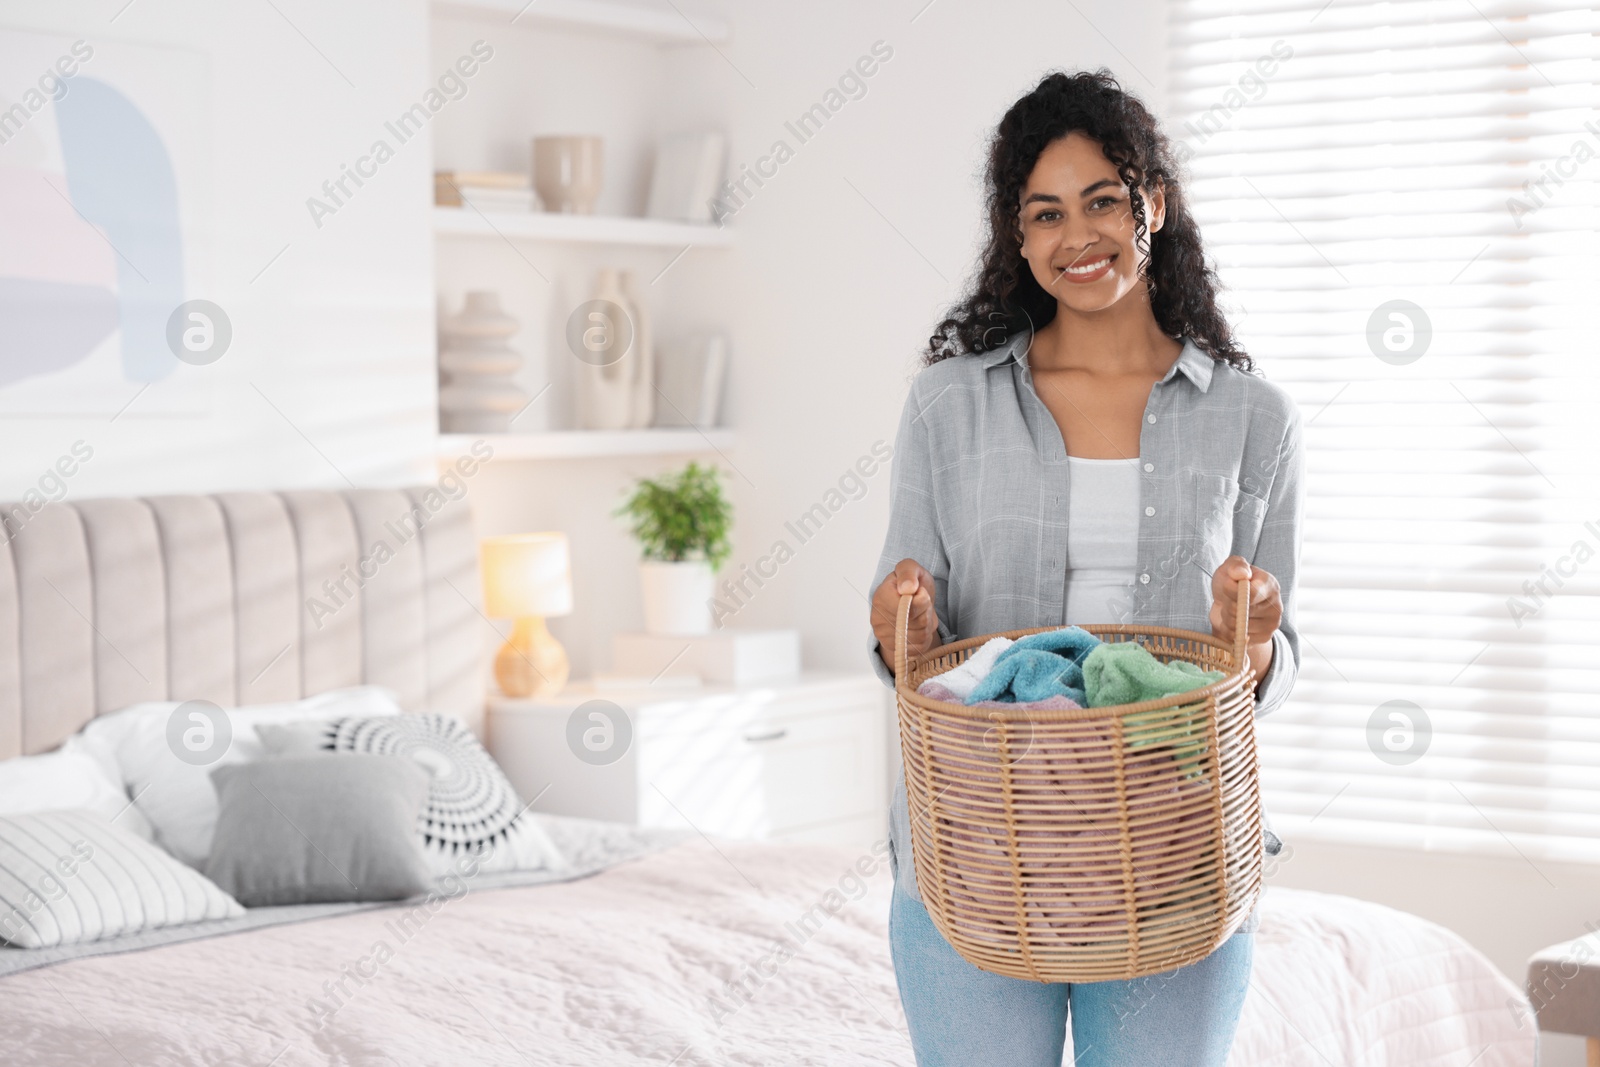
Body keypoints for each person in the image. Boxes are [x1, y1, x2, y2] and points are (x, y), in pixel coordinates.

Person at [865, 69, 1304, 1067]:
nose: (1078, 235)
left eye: (1102, 199)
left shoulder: (1255, 420)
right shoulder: (946, 405)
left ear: (1150, 202)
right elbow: (909, 646)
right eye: (1044, 212)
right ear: (1016, 239)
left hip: (1173, 847)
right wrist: (908, 625)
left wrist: (1258, 630)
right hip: (974, 845)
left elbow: (1262, 673)